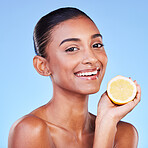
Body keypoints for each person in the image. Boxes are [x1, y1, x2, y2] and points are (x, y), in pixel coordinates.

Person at [8, 7, 141, 148]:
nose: (92, 58)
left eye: (96, 45)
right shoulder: (29, 130)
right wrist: (104, 130)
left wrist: (107, 121)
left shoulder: (124, 133)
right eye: (71, 49)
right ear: (43, 66)